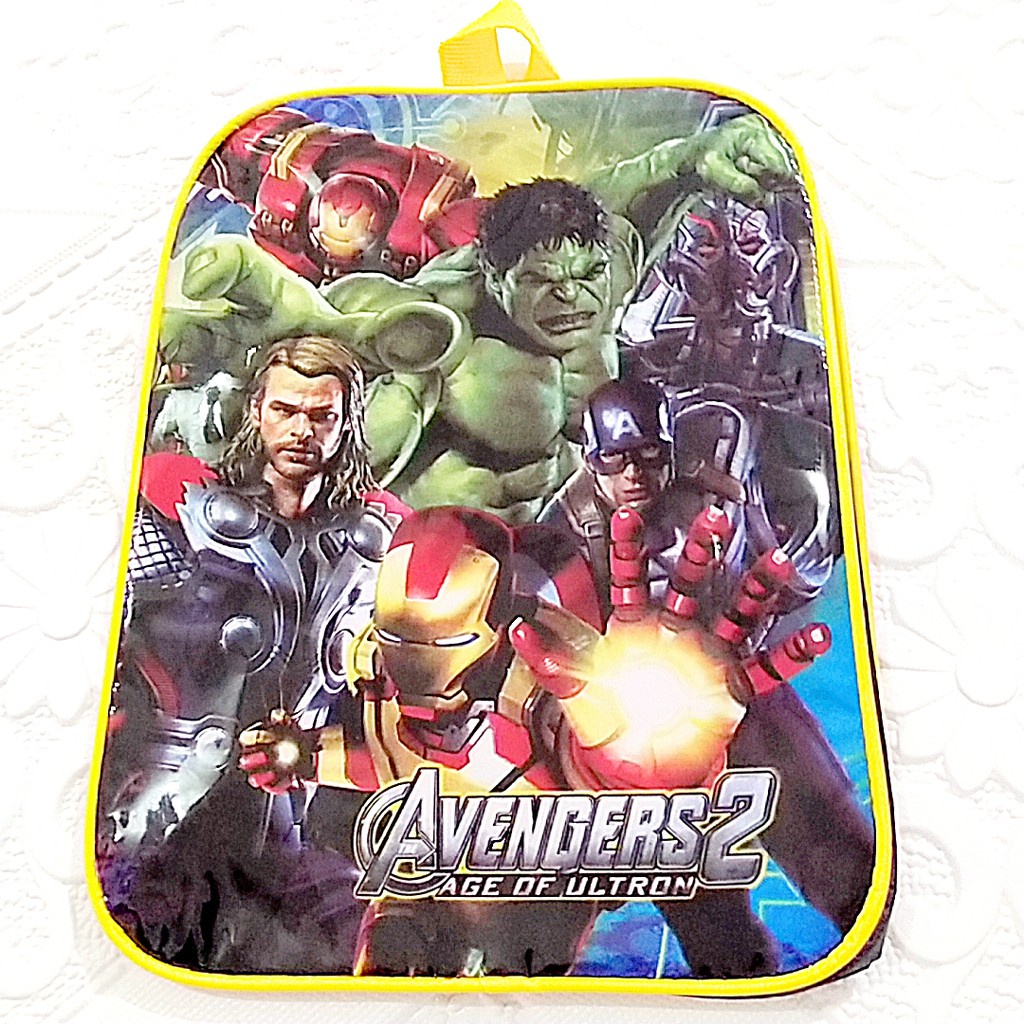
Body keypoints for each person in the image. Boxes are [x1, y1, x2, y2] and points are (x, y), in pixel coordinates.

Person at [238, 505, 834, 977]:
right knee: (389, 957)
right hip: (430, 866)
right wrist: (306, 757)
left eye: (439, 646)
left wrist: (652, 759)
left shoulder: (544, 676)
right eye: (400, 643)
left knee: (544, 960)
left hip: (547, 874)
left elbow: (607, 759)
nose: (414, 669)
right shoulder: (374, 668)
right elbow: (390, 758)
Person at [98, 336, 400, 971]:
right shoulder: (179, 506)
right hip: (160, 800)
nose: (301, 431)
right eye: (285, 410)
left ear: (347, 422)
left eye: (321, 416)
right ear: (257, 409)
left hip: (297, 812)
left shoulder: (381, 538)